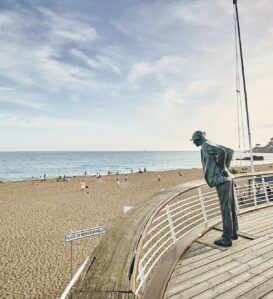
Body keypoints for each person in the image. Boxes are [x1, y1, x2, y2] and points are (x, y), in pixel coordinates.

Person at [191, 130, 238, 247]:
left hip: (221, 180)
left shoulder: (206, 145)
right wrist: (227, 167)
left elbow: (223, 152)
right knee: (230, 206)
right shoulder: (210, 143)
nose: (194, 143)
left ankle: (227, 238)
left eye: (194, 141)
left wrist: (223, 168)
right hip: (227, 178)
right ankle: (233, 232)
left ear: (198, 138)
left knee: (225, 208)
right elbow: (230, 152)